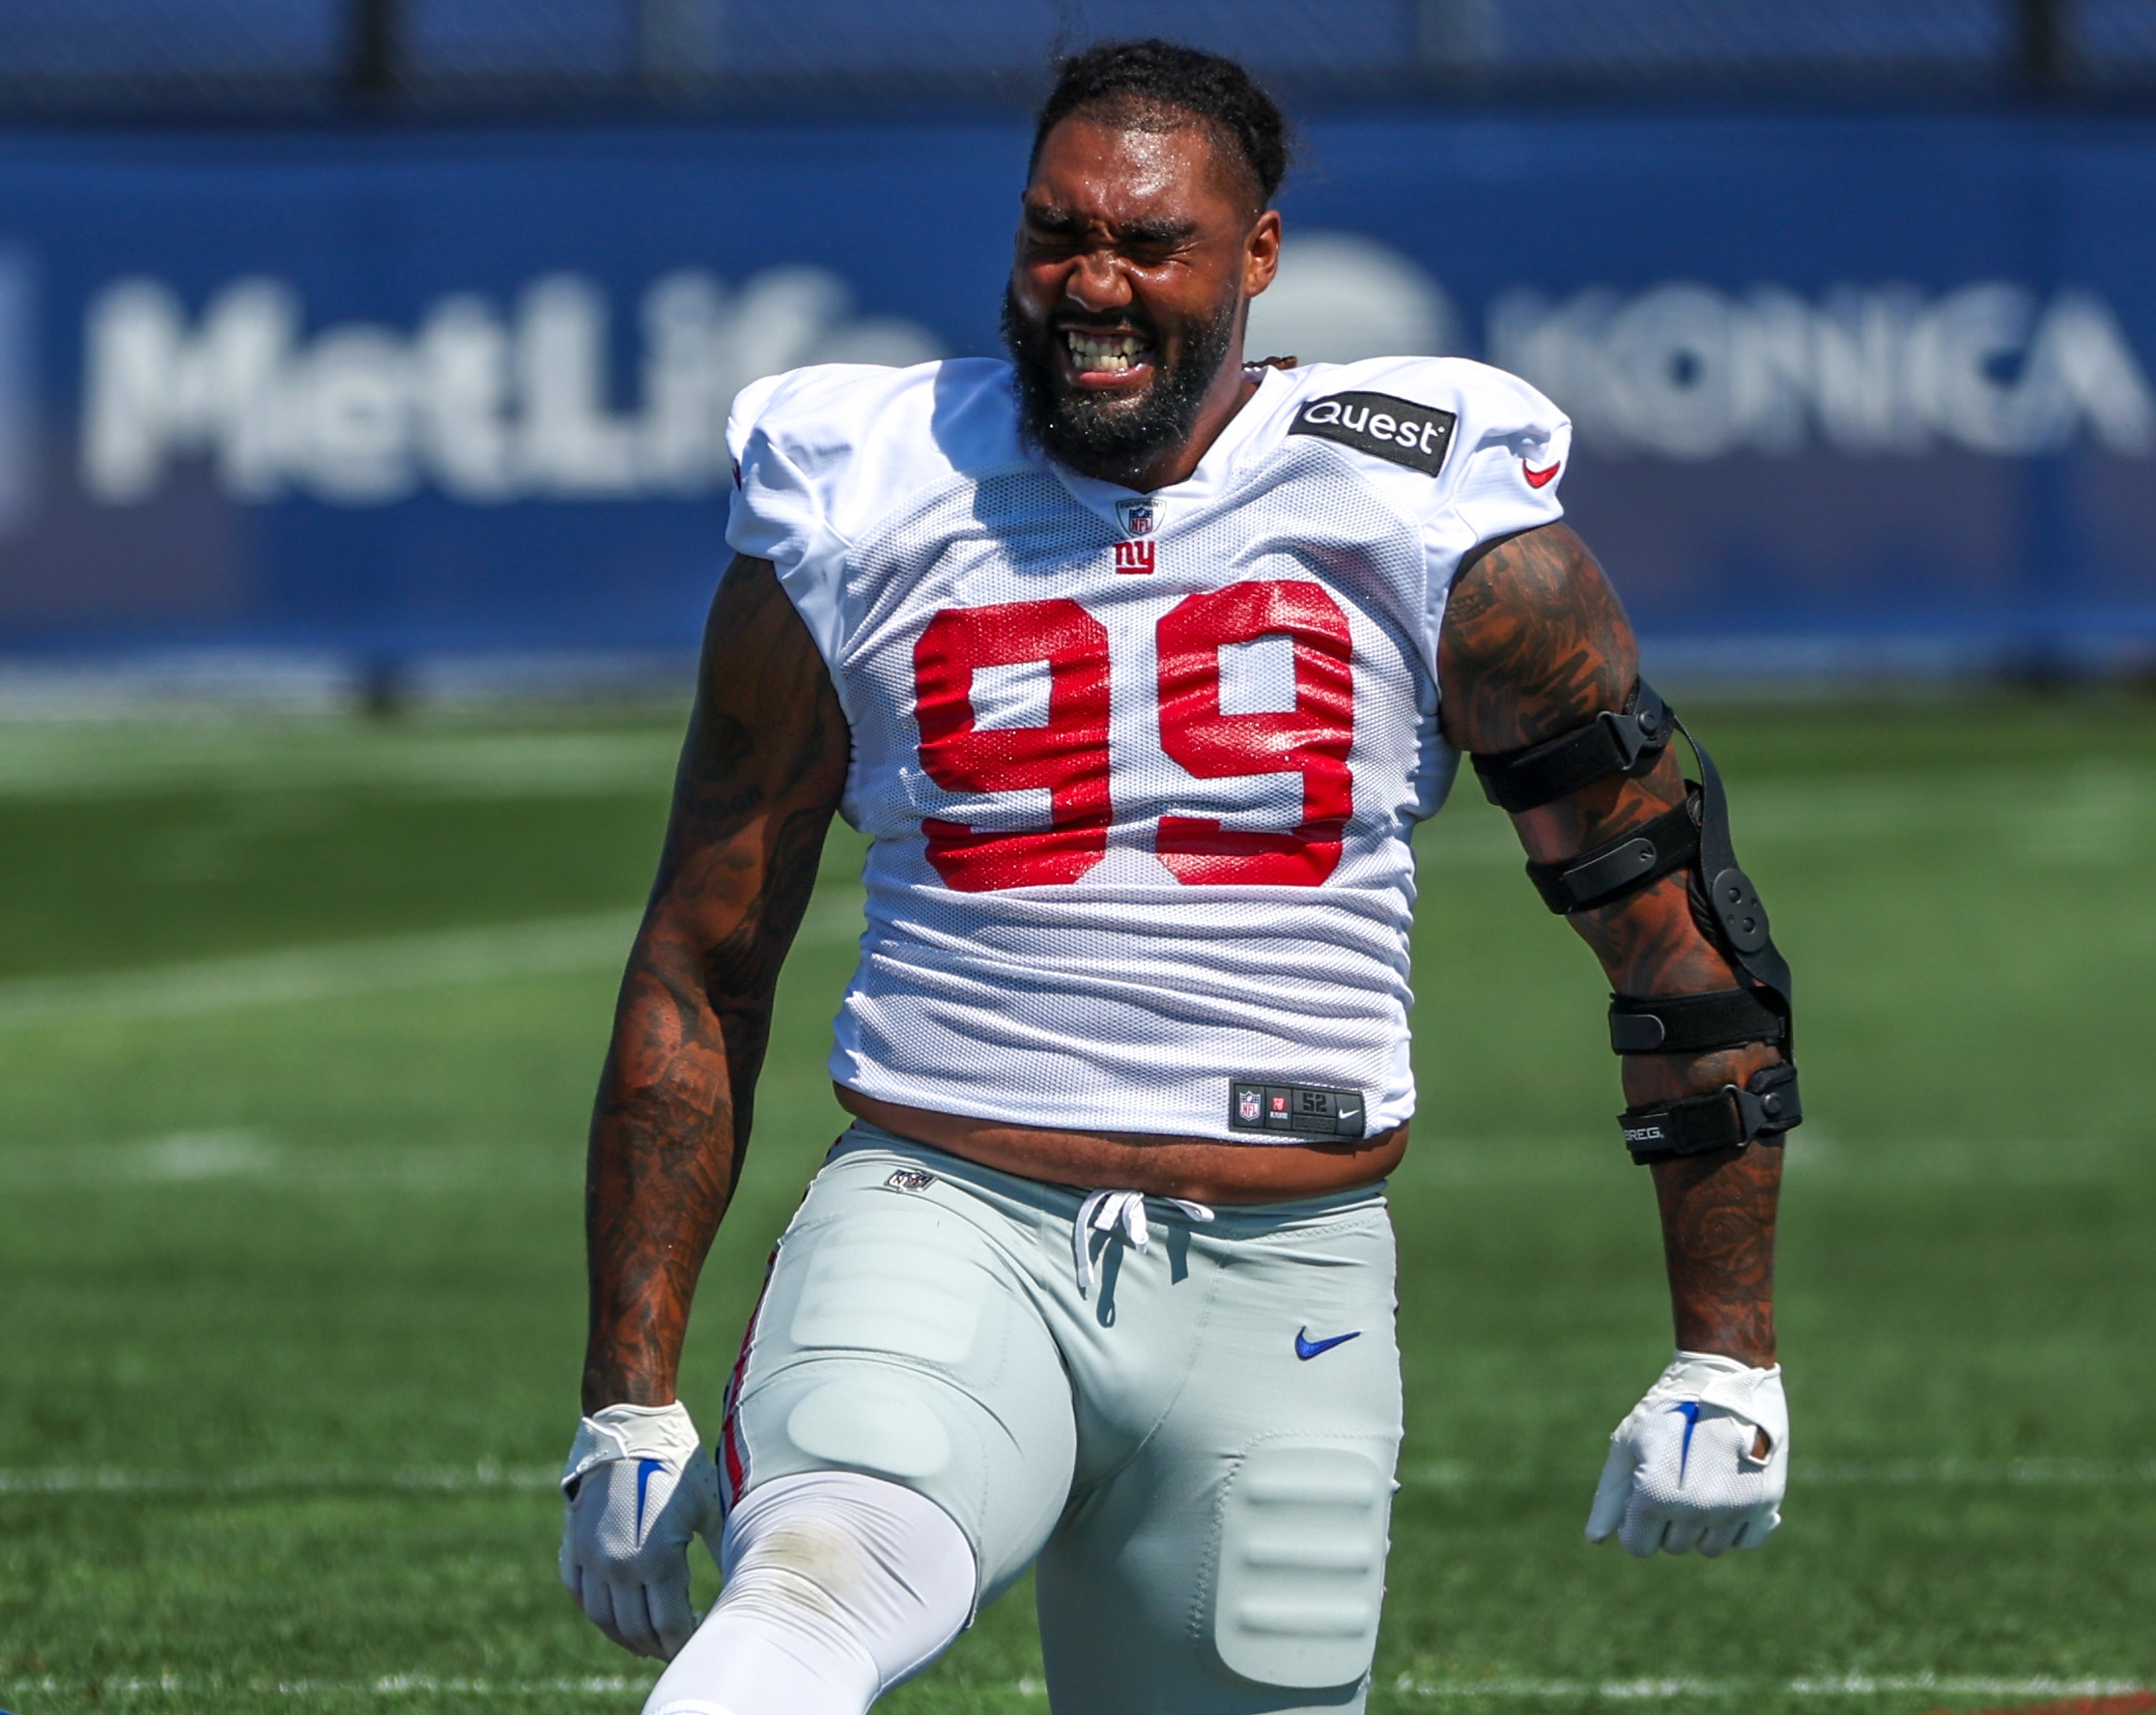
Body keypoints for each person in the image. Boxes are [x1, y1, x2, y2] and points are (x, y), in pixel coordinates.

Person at [559, 38, 1799, 1715]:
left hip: (1286, 1271)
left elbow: (1674, 942)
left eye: (1150, 246)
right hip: (944, 1216)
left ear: (1257, 257)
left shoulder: (1428, 514)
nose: (1093, 284)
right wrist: (628, 1396)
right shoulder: (861, 496)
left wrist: (1725, 1348)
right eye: (1055, 234)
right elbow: (705, 958)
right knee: (806, 1600)